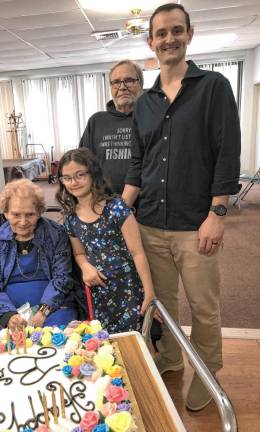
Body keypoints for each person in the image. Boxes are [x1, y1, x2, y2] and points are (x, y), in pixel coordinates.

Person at [123, 3, 241, 411]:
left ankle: (208, 374)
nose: (168, 39)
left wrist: (217, 213)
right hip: (151, 222)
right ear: (150, 41)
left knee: (204, 307)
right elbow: (140, 164)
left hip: (196, 224)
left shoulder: (213, 87)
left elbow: (227, 154)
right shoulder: (145, 102)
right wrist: (120, 214)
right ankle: (171, 358)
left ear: (190, 34)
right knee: (162, 303)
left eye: (177, 31)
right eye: (161, 33)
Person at [56, 148, 156, 334]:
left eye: (80, 175)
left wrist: (149, 292)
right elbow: (79, 253)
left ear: (93, 174)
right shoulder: (70, 216)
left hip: (128, 289)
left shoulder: (117, 208)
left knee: (133, 342)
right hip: (98, 292)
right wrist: (86, 267)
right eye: (67, 178)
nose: (74, 182)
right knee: (104, 344)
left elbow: (138, 252)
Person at [0, 179, 78, 333]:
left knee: (59, 337)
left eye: (30, 214)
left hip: (54, 306)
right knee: (3, 341)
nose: (23, 222)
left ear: (39, 212)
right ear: (6, 213)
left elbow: (61, 277)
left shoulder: (56, 234)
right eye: (16, 214)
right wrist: (9, 316)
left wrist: (44, 311)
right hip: (7, 308)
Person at [79, 60, 143, 195]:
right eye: (116, 82)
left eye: (129, 80)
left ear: (140, 84)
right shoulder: (96, 121)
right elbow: (82, 164)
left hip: (146, 204)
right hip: (104, 201)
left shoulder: (152, 119)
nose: (122, 87)